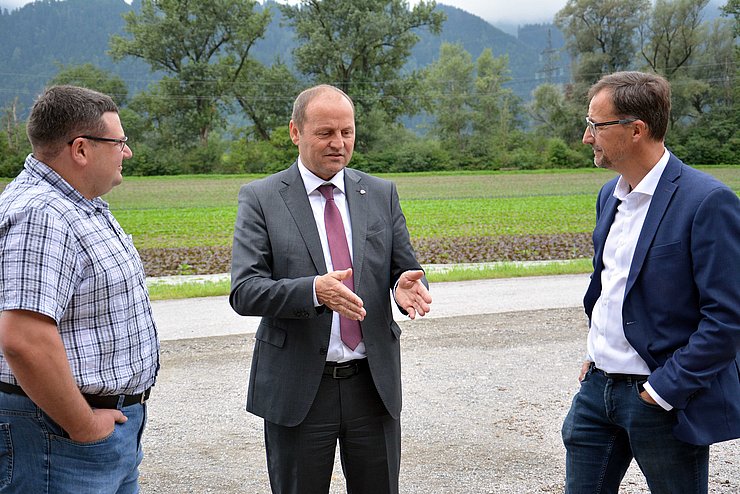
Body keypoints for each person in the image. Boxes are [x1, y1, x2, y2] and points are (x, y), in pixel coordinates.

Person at [229, 84, 432, 494]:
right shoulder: (262, 198)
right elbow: (245, 290)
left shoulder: (379, 193)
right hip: (301, 388)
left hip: (371, 385)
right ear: (295, 132)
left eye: (347, 132)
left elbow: (403, 269)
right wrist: (312, 291)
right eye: (325, 133)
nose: (338, 143)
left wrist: (404, 287)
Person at [561, 71, 740, 493]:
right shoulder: (610, 195)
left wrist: (662, 391)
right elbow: (609, 287)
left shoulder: (706, 202)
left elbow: (727, 318)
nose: (588, 138)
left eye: (595, 125)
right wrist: (596, 350)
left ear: (636, 130)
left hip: (659, 400)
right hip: (596, 392)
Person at [0, 85, 159, 493]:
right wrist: (84, 425)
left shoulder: (76, 204)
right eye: (119, 142)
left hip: (92, 435)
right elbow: (23, 340)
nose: (127, 152)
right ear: (81, 150)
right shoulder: (43, 214)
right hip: (60, 440)